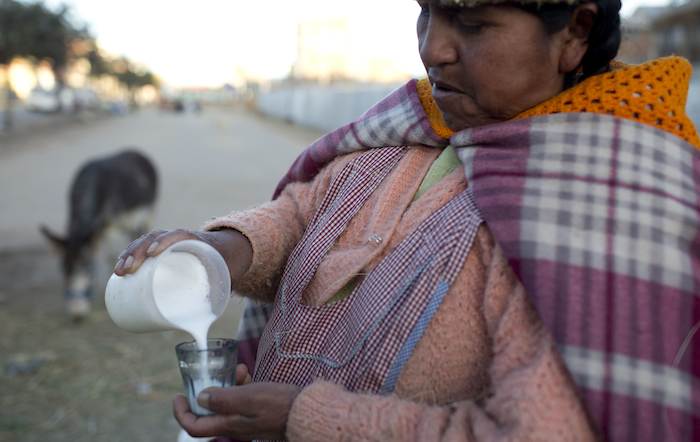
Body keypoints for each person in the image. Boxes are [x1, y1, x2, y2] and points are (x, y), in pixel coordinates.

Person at [114, 0, 700, 440]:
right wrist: (213, 250)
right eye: (426, 12)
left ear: (574, 32)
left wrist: (306, 418)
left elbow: (539, 431)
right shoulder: (417, 129)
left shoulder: (598, 203)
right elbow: (304, 213)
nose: (433, 48)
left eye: (471, 22)